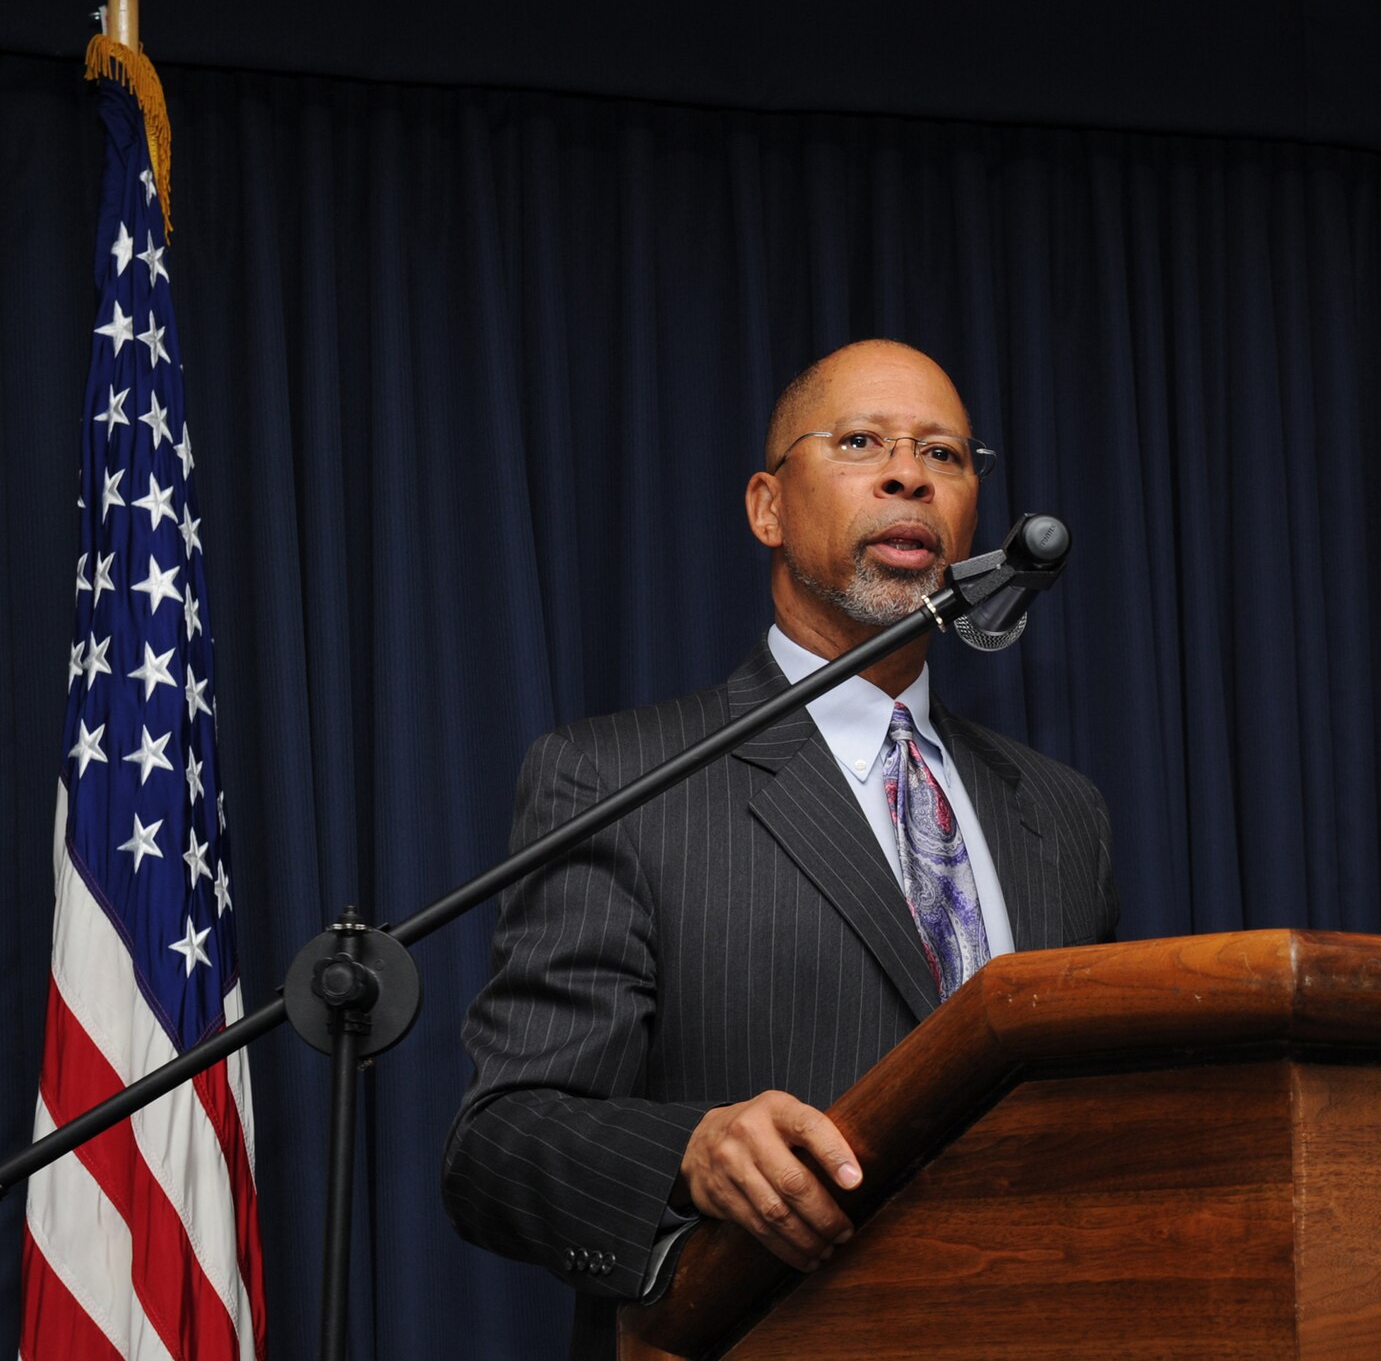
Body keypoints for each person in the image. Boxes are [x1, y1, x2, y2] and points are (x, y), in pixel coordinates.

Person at [441, 339, 1118, 1359]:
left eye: (942, 453)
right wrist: (689, 1151)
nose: (907, 473)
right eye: (860, 442)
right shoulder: (614, 779)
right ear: (766, 506)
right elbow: (499, 1145)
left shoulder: (1061, 812)